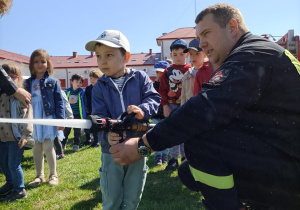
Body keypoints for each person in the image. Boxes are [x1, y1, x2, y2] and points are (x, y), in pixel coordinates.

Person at [109, 3, 300, 210]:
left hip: (290, 167)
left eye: (207, 33)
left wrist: (143, 146)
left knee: (200, 142)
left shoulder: (252, 54)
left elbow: (204, 109)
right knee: (188, 172)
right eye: (199, 38)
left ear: (232, 26)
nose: (202, 44)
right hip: (285, 155)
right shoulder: (261, 51)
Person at [85, 29, 160, 210]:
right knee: (111, 197)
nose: (103, 60)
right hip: (111, 151)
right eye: (99, 56)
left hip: (138, 145)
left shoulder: (140, 77)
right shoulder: (99, 87)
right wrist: (106, 136)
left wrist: (143, 109)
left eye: (109, 55)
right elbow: (99, 117)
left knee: (133, 197)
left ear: (126, 56)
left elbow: (154, 99)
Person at [25, 49, 65, 187]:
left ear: (48, 64)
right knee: (36, 146)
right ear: (31, 64)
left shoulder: (53, 82)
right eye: (36, 62)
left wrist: (60, 119)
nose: (39, 64)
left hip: (48, 116)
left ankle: (53, 175)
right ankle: (39, 176)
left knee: (48, 145)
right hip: (33, 116)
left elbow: (59, 101)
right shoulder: (27, 83)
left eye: (43, 61)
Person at [0, 61, 33, 202]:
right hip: (3, 138)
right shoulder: (1, 97)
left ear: (18, 78)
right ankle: (10, 182)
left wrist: (25, 135)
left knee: (14, 164)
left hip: (16, 138)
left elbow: (28, 117)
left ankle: (19, 189)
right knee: (3, 163)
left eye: (11, 77)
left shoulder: (22, 98)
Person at [159, 39, 191, 170]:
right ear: (171, 55)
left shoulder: (190, 70)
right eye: (175, 54)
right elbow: (162, 90)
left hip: (186, 105)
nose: (179, 57)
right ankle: (173, 158)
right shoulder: (167, 71)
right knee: (172, 131)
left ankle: (185, 157)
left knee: (186, 131)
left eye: (182, 54)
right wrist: (165, 106)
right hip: (172, 106)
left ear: (187, 55)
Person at [62, 73, 87, 152]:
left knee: (77, 131)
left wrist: (85, 109)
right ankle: (63, 144)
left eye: (80, 82)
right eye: (77, 81)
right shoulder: (67, 92)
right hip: (69, 115)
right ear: (72, 82)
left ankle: (76, 145)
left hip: (78, 115)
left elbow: (85, 102)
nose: (79, 84)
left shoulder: (81, 93)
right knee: (66, 131)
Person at [151, 61, 169, 166]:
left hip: (165, 114)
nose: (159, 75)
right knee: (156, 135)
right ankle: (158, 156)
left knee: (165, 135)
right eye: (157, 72)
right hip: (156, 115)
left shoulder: (169, 85)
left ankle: (165, 155)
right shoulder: (153, 85)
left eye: (161, 73)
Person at [54, 80, 74, 160]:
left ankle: (60, 153)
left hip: (60, 118)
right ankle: (57, 152)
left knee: (56, 136)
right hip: (53, 118)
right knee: (55, 137)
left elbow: (66, 104)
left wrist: (70, 116)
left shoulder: (61, 93)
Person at [83, 68, 103, 148]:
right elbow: (86, 99)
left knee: (96, 125)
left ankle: (96, 141)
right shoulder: (88, 88)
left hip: (98, 110)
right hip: (90, 110)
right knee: (87, 125)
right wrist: (86, 107)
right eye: (91, 78)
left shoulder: (101, 88)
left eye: (94, 79)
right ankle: (88, 139)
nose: (92, 80)